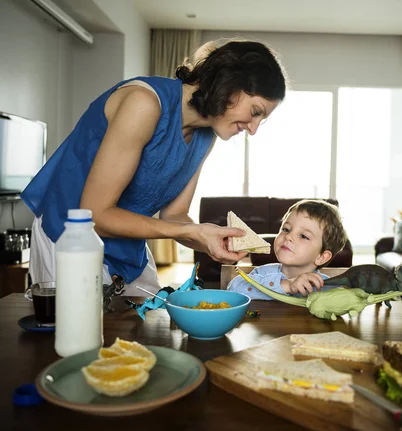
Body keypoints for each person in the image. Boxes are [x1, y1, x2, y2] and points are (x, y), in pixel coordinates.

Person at [20, 39, 287, 295]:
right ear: (230, 85)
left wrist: (210, 240)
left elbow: (174, 216)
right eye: (255, 112)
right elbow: (96, 215)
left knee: (140, 334)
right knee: (79, 337)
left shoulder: (206, 137)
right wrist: (191, 232)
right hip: (69, 240)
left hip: (126, 249)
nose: (252, 130)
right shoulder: (144, 103)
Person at [227, 199, 348, 299]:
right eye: (286, 229)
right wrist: (287, 285)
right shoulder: (263, 273)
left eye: (303, 236)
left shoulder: (326, 287)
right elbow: (234, 288)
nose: (289, 236)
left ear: (321, 257)